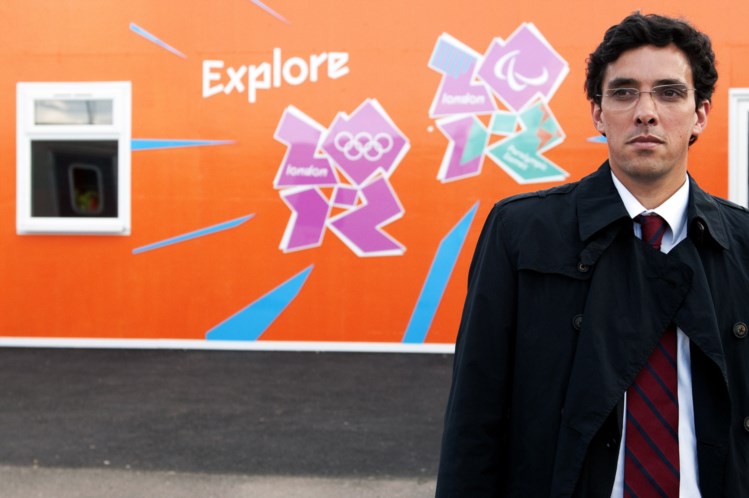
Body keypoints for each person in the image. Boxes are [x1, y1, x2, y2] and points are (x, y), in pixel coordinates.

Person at [436, 12, 749, 497]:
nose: (646, 113)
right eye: (624, 93)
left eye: (669, 93)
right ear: (598, 114)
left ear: (700, 115)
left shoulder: (743, 241)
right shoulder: (520, 232)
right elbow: (475, 417)